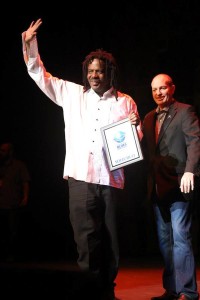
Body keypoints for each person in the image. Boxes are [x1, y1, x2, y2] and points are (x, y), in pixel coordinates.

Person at [21, 18, 143, 300]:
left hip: (112, 179)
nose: (94, 76)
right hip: (80, 178)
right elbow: (40, 74)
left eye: (99, 71)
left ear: (109, 73)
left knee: (111, 238)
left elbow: (133, 144)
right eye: (90, 71)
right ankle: (90, 290)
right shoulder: (72, 94)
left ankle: (107, 290)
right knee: (85, 240)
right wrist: (30, 44)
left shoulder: (125, 102)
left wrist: (134, 127)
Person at [141, 73, 200, 300]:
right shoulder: (148, 118)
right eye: (154, 89)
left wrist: (190, 171)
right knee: (165, 241)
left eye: (163, 88)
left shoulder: (185, 111)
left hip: (179, 184)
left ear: (172, 88)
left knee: (181, 237)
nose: (158, 92)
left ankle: (188, 291)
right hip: (156, 187)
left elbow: (195, 142)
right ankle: (172, 289)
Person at [0, 142, 30, 261]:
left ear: (10, 152)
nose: (0, 153)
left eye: (3, 150)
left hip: (13, 203)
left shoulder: (19, 165)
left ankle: (12, 255)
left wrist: (25, 197)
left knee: (13, 231)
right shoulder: (1, 167)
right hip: (1, 203)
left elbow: (25, 182)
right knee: (2, 232)